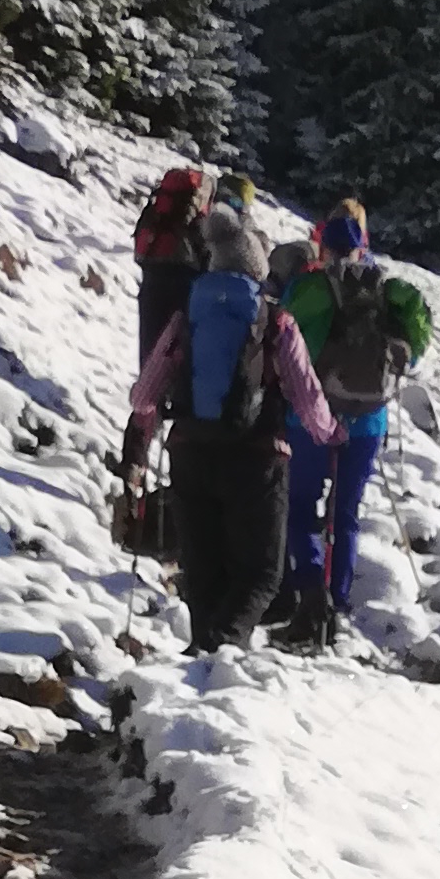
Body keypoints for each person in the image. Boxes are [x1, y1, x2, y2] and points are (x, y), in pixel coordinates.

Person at [128, 202, 332, 652]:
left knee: (203, 574)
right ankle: (220, 650)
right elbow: (308, 398)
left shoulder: (186, 316)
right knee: (261, 574)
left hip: (190, 453)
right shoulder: (276, 321)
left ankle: (201, 662)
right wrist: (328, 431)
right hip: (257, 458)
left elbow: (143, 396)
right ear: (258, 271)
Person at [282, 202, 433, 644]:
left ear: (323, 244)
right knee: (344, 514)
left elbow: (284, 337)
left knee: (301, 505)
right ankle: (339, 599)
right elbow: (417, 344)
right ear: (363, 246)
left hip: (311, 416)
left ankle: (310, 592)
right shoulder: (389, 290)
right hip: (367, 421)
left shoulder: (309, 288)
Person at [130, 162, 210, 365]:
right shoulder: (195, 218)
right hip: (183, 284)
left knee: (149, 346)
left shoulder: (155, 211)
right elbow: (207, 256)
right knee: (175, 351)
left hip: (151, 280)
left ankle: (146, 383)